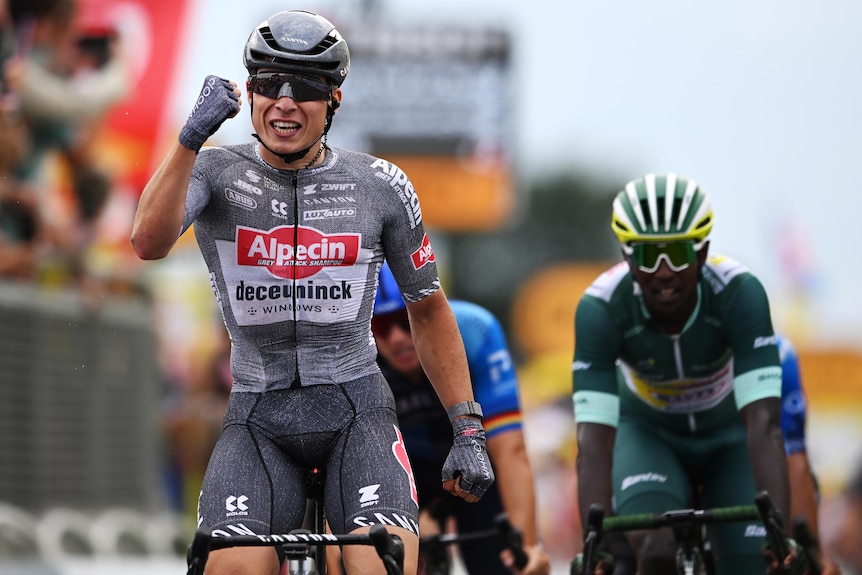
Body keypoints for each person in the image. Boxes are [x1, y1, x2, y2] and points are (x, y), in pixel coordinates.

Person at [130, 10, 494, 575]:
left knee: (381, 566)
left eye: (304, 88)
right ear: (248, 92)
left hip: (357, 412)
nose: (284, 102)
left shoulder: (380, 186)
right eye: (269, 84)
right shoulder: (213, 171)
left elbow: (428, 310)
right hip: (258, 411)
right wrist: (188, 139)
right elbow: (147, 243)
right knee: (230, 568)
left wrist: (467, 427)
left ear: (334, 102)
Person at [571, 173, 804, 575]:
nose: (663, 272)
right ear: (627, 258)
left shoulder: (740, 293)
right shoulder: (601, 308)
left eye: (677, 253)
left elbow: (764, 424)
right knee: (656, 551)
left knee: (751, 563)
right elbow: (593, 440)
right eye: (646, 256)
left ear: (702, 252)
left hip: (729, 437)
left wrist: (777, 532)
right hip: (648, 436)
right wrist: (597, 544)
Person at [372, 262, 551, 575]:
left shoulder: (475, 331)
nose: (398, 338)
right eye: (382, 327)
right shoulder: (357, 351)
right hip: (404, 472)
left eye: (405, 319)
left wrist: (526, 544)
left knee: (505, 564)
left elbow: (510, 451)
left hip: (477, 467)